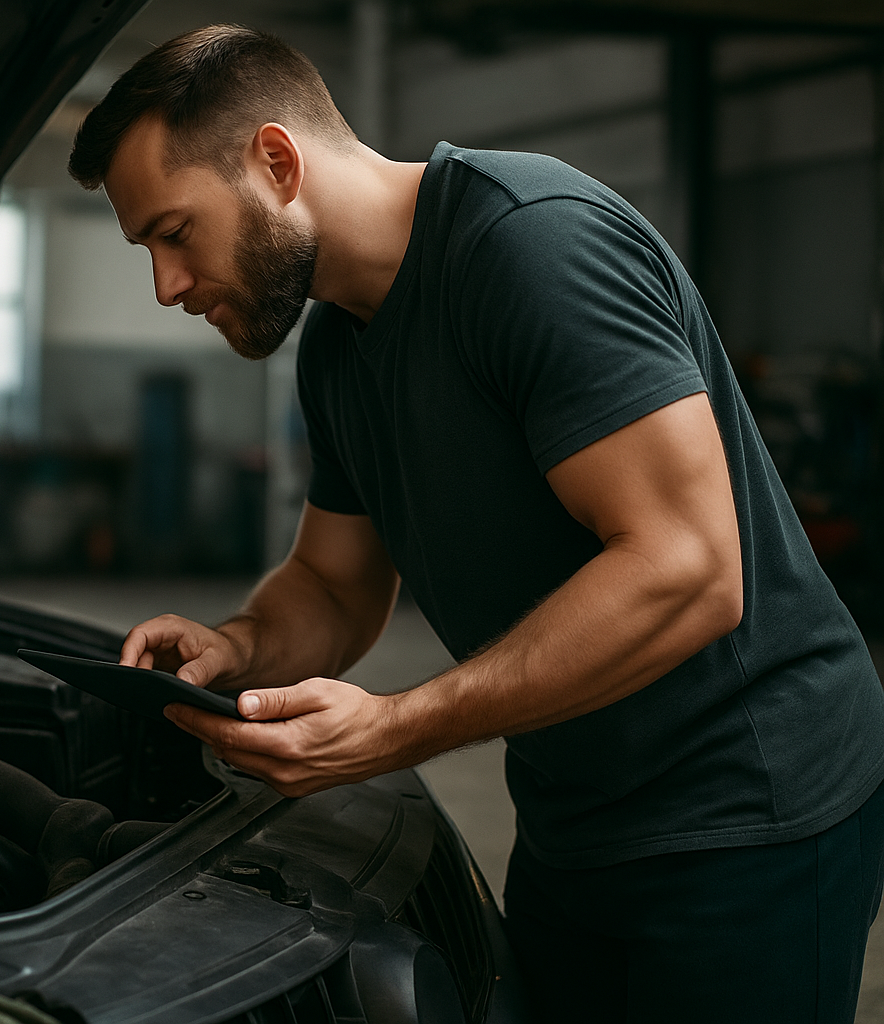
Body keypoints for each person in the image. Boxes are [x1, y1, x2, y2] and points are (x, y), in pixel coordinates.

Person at [66, 24, 884, 1024]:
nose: (167, 286)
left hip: (748, 811)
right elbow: (333, 585)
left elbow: (689, 567)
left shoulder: (532, 243)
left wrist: (396, 727)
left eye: (174, 231)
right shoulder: (335, 349)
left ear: (275, 161)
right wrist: (237, 646)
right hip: (574, 817)